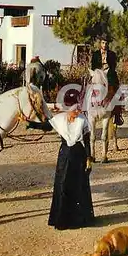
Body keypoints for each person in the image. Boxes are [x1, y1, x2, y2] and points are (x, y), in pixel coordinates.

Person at [48, 89, 95, 230]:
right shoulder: (59, 120)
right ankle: (61, 220)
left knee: (79, 186)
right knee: (62, 185)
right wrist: (30, 123)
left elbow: (86, 141)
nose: (78, 111)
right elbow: (45, 125)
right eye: (75, 109)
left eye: (79, 109)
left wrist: (89, 158)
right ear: (69, 109)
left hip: (78, 156)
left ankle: (80, 219)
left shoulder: (82, 121)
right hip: (64, 156)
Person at [90, 34, 122, 124]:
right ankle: (84, 107)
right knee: (87, 86)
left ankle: (117, 115)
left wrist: (107, 69)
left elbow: (113, 66)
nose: (104, 45)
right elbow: (93, 66)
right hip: (98, 73)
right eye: (103, 43)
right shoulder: (95, 54)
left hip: (109, 75)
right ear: (100, 43)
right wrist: (98, 71)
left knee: (117, 92)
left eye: (106, 43)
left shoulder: (112, 54)